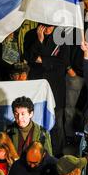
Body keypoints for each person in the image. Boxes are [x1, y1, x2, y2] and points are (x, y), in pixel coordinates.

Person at [23, 24, 68, 156]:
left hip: (55, 86)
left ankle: (57, 155)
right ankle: (37, 153)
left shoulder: (63, 35)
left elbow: (63, 61)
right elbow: (29, 57)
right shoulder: (31, 35)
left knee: (57, 122)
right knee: (37, 121)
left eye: (50, 25)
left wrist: (41, 59)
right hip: (36, 87)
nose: (47, 28)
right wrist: (39, 40)